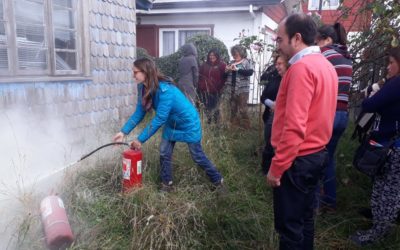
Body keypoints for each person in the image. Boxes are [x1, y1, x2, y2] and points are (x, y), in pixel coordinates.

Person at [266, 13, 338, 249]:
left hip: (297, 161)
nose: (278, 44)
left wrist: (277, 169)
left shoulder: (300, 69)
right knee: (305, 220)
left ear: (296, 38)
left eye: (280, 39)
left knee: (289, 229)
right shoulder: (326, 66)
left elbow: (295, 127)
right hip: (317, 156)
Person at [113, 58, 224, 192]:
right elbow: (139, 112)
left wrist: (139, 139)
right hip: (172, 123)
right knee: (164, 152)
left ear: (146, 72)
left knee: (197, 156)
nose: (133, 75)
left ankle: (218, 181)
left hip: (188, 123)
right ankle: (167, 184)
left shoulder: (166, 90)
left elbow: (159, 118)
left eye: (135, 72)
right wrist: (123, 132)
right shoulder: (143, 87)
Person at [350, 47, 400, 246]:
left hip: (393, 148)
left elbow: (369, 105)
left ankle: (379, 236)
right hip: (390, 145)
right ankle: (379, 229)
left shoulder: (397, 83)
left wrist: (374, 92)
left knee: (388, 192)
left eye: (391, 62)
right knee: (385, 188)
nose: (387, 67)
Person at [314, 23, 353, 211]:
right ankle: (329, 199)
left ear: (327, 40)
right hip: (343, 115)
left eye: (317, 40)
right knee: (329, 158)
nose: (316, 45)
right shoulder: (347, 57)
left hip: (328, 113)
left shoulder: (324, 55)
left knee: (316, 157)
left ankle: (316, 201)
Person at [260, 54, 288, 175]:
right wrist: (273, 105)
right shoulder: (275, 79)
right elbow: (263, 97)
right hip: (270, 116)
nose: (276, 67)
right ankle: (267, 171)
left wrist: (281, 106)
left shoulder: (294, 78)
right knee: (269, 143)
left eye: (280, 64)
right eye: (276, 64)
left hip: (286, 119)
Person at [222, 45, 254, 128]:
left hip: (242, 90)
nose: (234, 56)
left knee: (243, 109)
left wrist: (238, 70)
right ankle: (234, 125)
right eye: (233, 54)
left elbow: (250, 72)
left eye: (236, 54)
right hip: (231, 89)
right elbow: (224, 76)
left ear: (241, 53)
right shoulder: (231, 62)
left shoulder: (246, 62)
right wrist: (226, 70)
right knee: (233, 108)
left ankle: (246, 126)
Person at [198, 49, 226, 124]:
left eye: (213, 55)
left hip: (217, 90)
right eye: (210, 55)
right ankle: (209, 122)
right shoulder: (204, 65)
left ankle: (216, 124)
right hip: (205, 90)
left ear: (217, 55)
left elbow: (225, 77)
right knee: (207, 107)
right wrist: (201, 85)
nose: (211, 57)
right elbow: (200, 76)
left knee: (216, 107)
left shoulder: (222, 65)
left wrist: (221, 86)